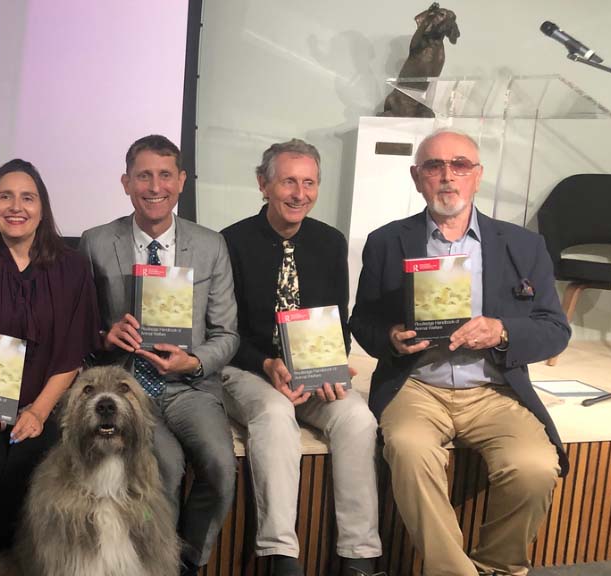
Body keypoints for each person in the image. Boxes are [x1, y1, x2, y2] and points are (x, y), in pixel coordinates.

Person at [349, 130, 571, 576]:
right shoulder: (386, 241)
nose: (447, 177)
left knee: (534, 467)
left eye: (459, 165)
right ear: (417, 178)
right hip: (417, 387)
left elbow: (554, 329)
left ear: (477, 176)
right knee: (409, 451)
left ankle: (498, 567)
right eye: (433, 166)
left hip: (493, 388)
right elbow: (362, 321)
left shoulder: (522, 245)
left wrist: (502, 331)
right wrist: (390, 336)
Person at [220, 140, 383, 576]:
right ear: (263, 184)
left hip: (310, 370)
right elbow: (223, 331)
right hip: (248, 367)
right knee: (274, 416)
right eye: (288, 181)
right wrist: (267, 365)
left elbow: (337, 320)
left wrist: (331, 365)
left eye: (309, 182)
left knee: (358, 419)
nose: (299, 193)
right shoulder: (230, 242)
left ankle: (360, 555)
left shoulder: (330, 242)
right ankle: (280, 555)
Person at [79, 134, 239, 576]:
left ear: (181, 181)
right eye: (144, 175)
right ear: (126, 182)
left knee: (221, 469)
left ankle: (188, 562)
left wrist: (195, 361)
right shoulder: (95, 242)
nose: (155, 186)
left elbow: (228, 334)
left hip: (189, 387)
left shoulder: (210, 246)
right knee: (163, 469)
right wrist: (104, 335)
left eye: (165, 175)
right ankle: (153, 565)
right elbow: (77, 327)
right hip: (128, 388)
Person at [0, 158, 101, 569]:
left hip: (47, 401)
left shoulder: (72, 266)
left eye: (27, 197)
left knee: (28, 460)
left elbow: (72, 352)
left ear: (42, 207)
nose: (16, 207)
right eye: (5, 197)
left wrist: (37, 410)